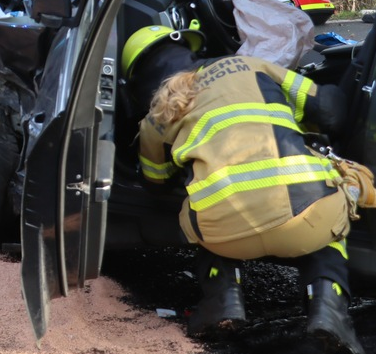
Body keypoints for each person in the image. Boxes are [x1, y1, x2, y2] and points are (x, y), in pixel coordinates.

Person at [122, 25, 363, 354]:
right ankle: (328, 308)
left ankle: (222, 302)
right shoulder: (253, 65)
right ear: (189, 50)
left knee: (201, 203)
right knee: (331, 212)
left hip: (226, 236)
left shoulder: (156, 115)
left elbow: (156, 182)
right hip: (306, 222)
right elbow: (330, 110)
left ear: (137, 80)